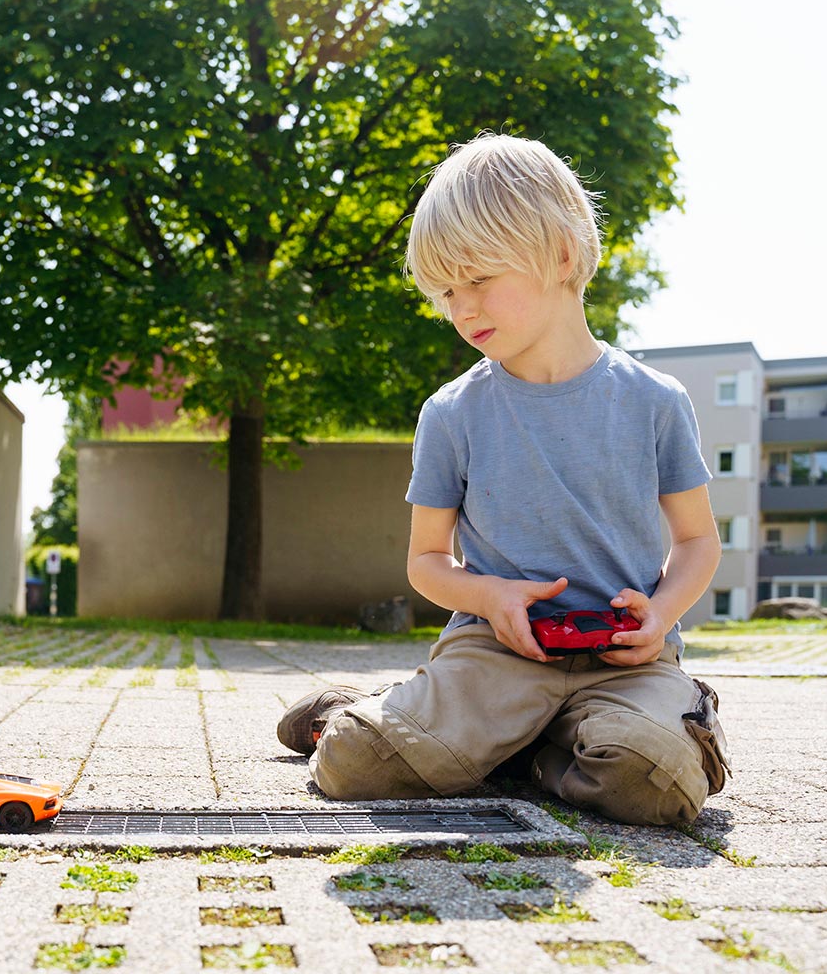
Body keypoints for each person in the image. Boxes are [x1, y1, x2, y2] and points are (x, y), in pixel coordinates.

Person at [276, 134, 730, 825]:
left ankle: (532, 747)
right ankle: (371, 711)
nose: (462, 309)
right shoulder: (453, 413)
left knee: (651, 784)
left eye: (479, 280)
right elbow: (427, 562)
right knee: (352, 764)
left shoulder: (655, 401)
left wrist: (661, 615)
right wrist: (489, 596)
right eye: (446, 291)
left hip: (626, 663)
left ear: (562, 255)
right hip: (494, 654)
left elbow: (697, 542)